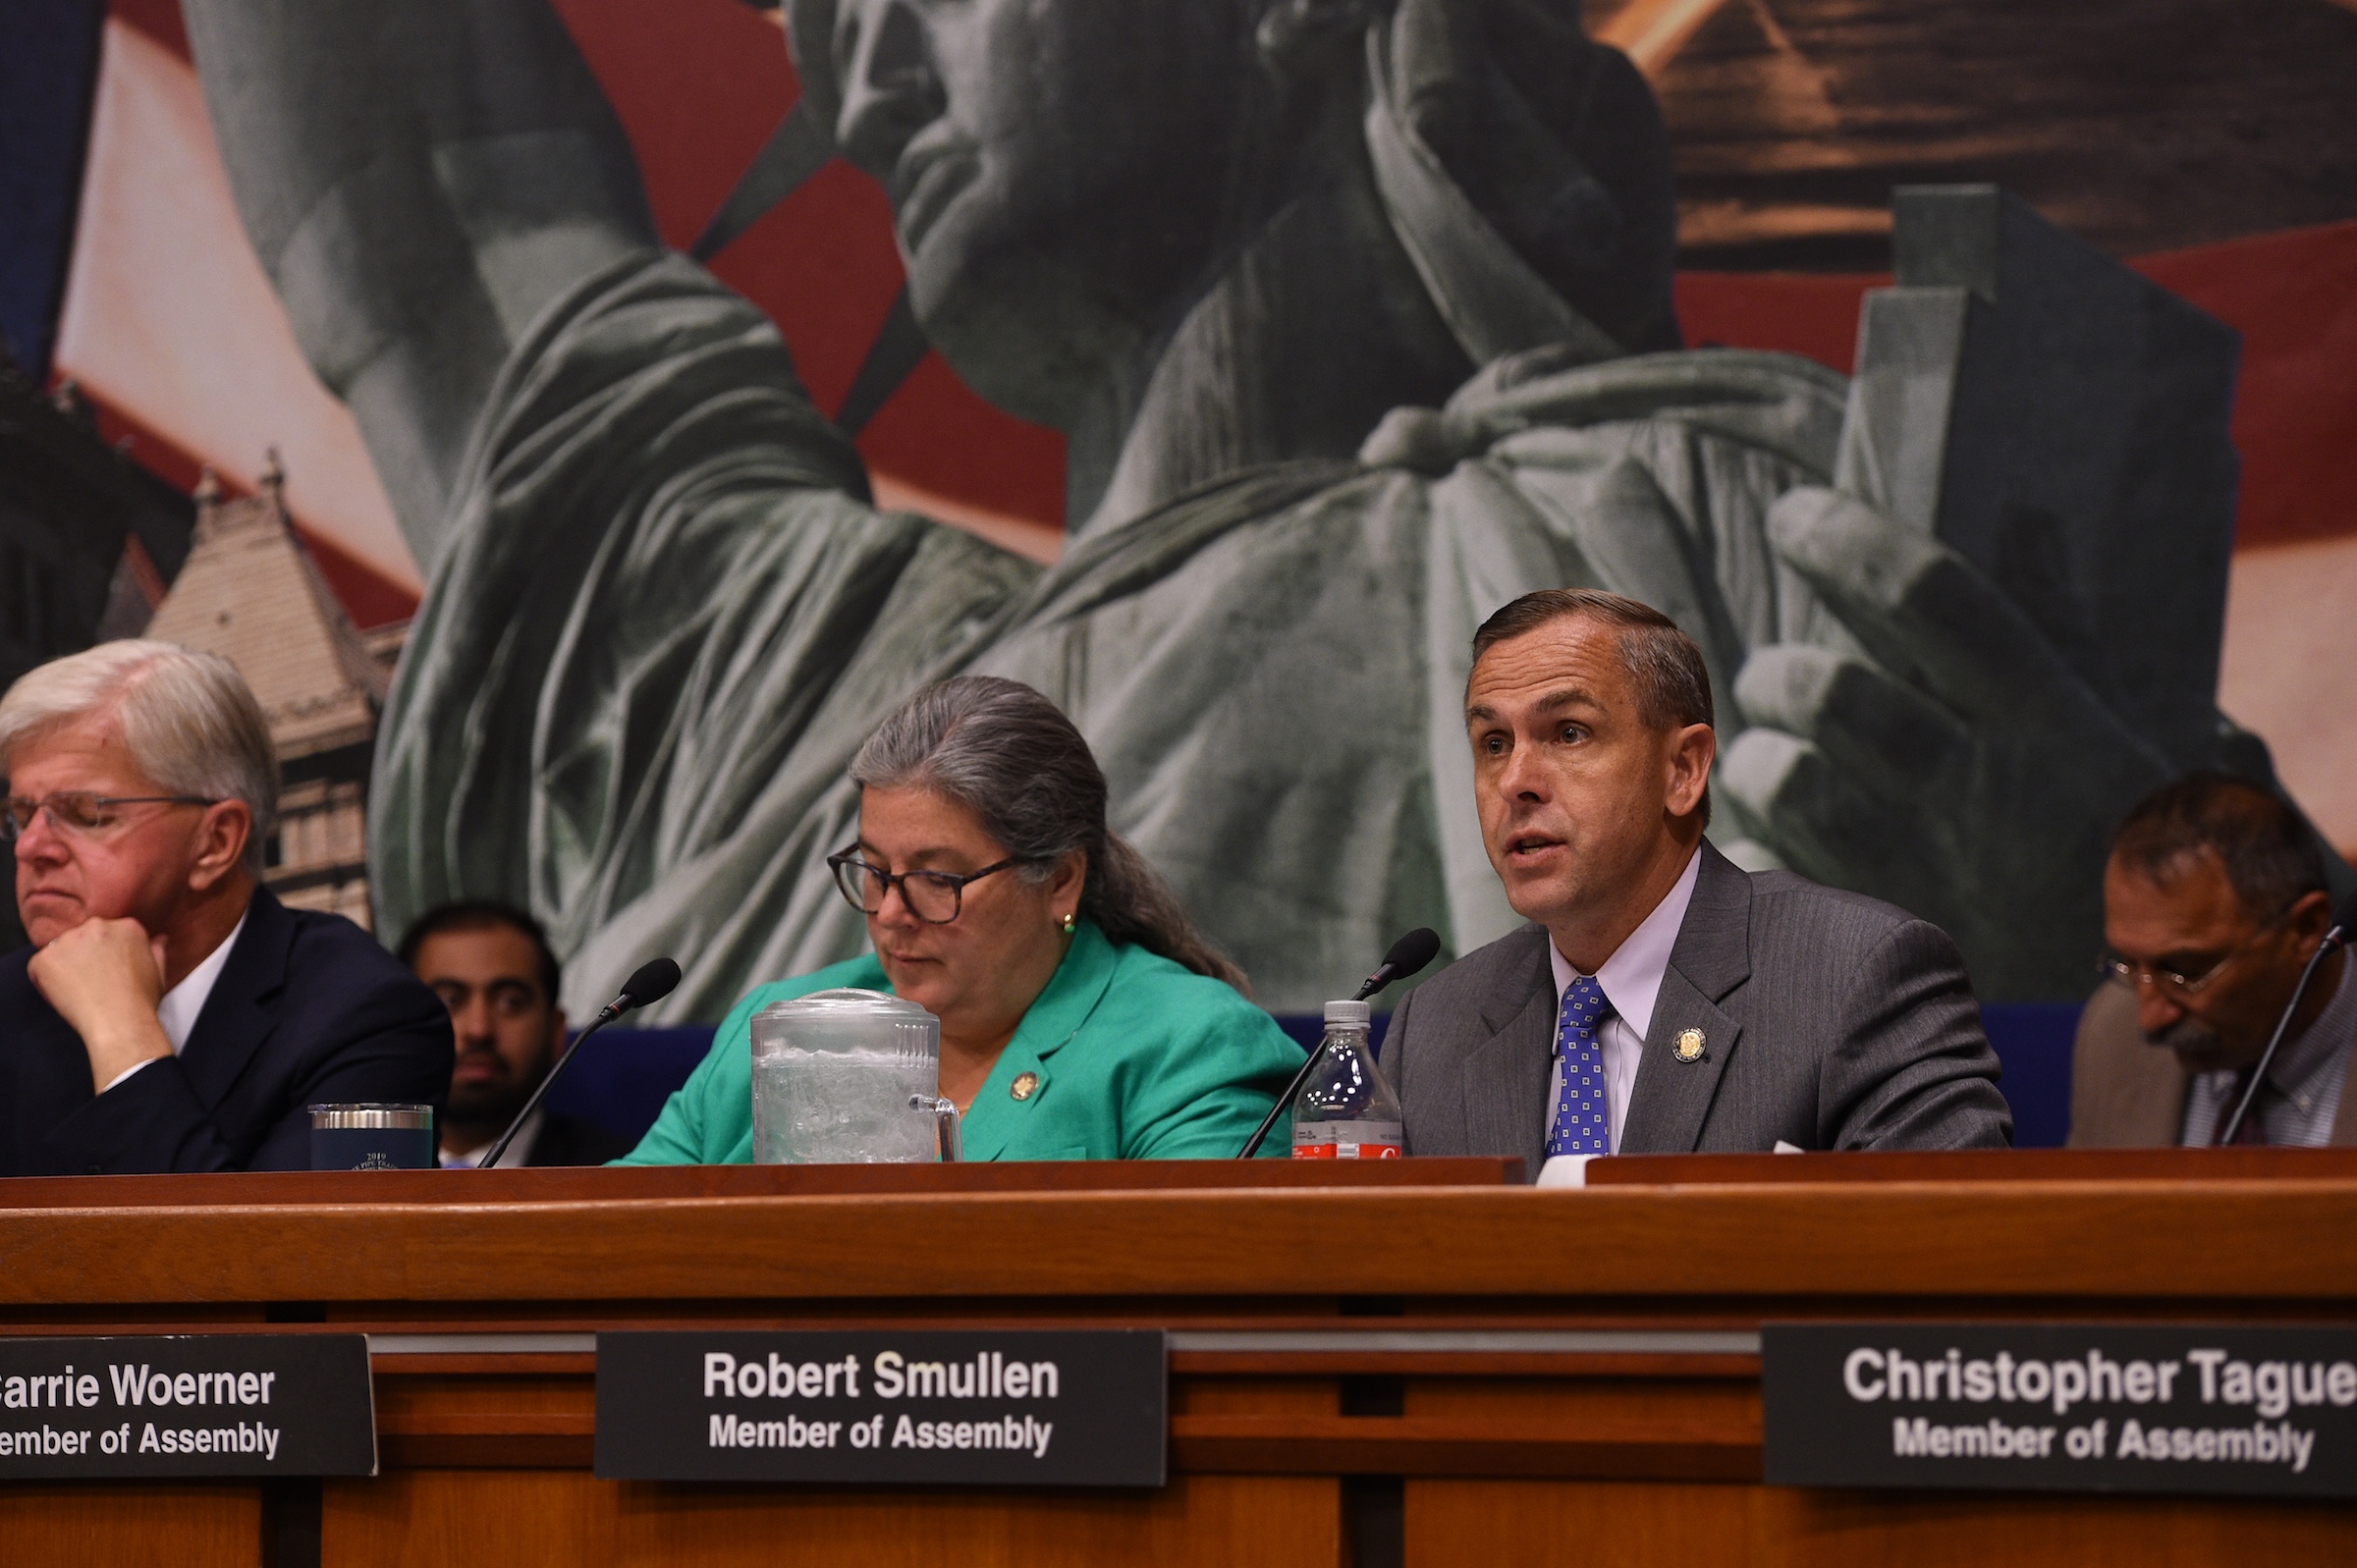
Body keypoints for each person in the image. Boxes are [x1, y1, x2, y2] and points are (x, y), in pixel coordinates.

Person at [185, 0, 2233, 1022]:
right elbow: (440, 218)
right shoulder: (787, 688)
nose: (861, 51)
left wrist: (2085, 927)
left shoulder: (1741, 523)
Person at [1386, 590, 2010, 1171]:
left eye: (1569, 732)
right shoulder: (1433, 1031)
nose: (1515, 780)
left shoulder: (1857, 977)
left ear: (1683, 769)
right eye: (1493, 742)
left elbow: (1955, 1253)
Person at [622, 676, 1301, 1163]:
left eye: (936, 879)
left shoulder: (1192, 1046)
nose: (890, 912)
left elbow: (1207, 1294)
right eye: (877, 871)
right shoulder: (782, 1029)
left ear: (1061, 878)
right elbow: (605, 1244)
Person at [0, 641, 452, 1175]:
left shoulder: (377, 1019)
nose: (31, 848)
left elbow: (298, 1255)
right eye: (22, 816)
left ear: (215, 842)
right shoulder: (9, 1000)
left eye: (83, 813)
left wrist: (120, 1030)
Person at [2070, 775, 2355, 1147]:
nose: (2149, 1018)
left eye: (2184, 971)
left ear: (2305, 929)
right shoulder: (2113, 1033)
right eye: (2129, 963)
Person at [400, 900, 637, 1166]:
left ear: (556, 1031)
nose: (479, 1030)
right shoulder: (354, 1172)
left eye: (510, 1002)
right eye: (449, 1001)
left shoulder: (621, 1177)